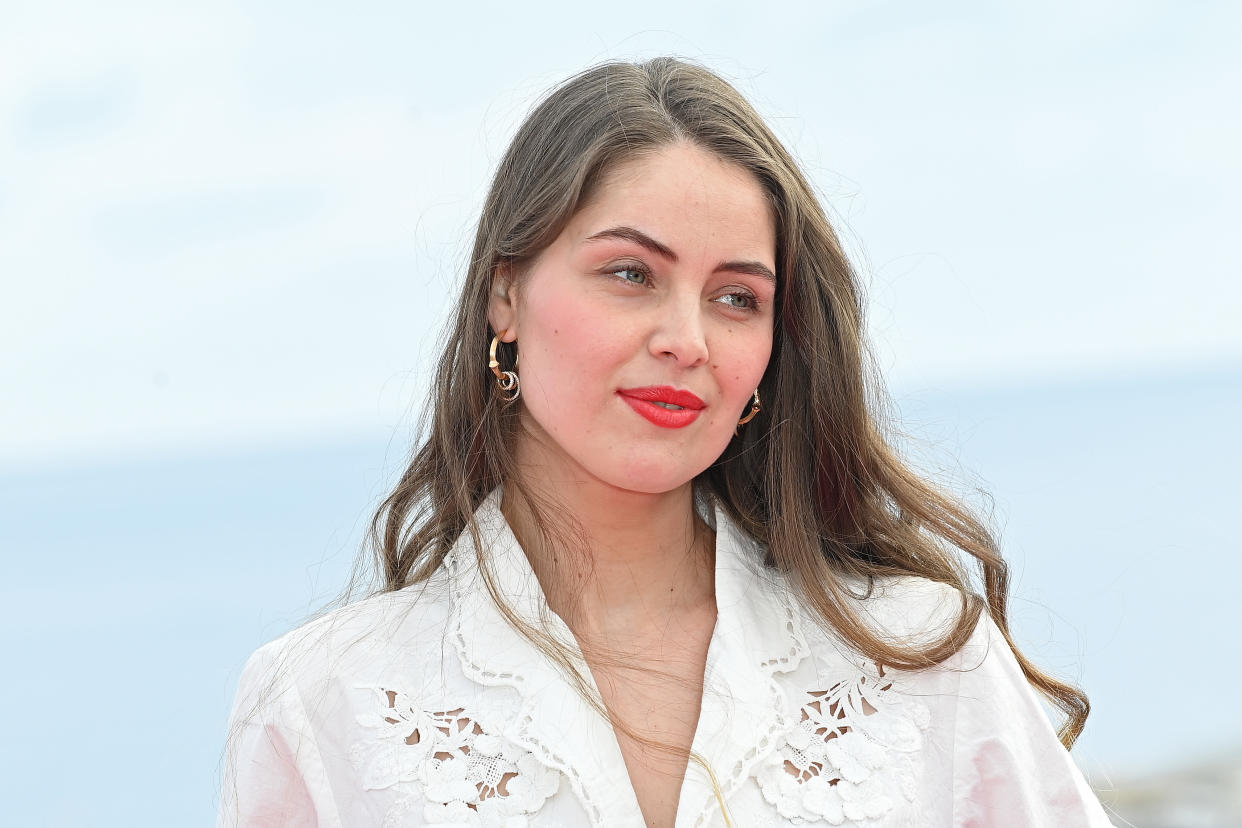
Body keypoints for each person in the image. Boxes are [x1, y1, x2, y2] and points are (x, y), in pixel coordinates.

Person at [218, 57, 1115, 827]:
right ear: (506, 297)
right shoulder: (324, 702)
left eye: (737, 298)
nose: (687, 338)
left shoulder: (921, 656)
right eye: (630, 273)